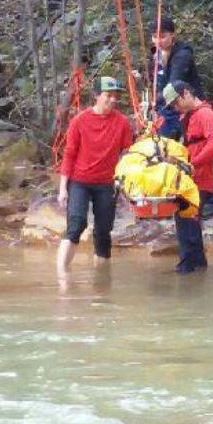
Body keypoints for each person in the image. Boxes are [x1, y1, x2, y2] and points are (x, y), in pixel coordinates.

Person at [56, 77, 134, 278]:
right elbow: (69, 154)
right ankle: (62, 278)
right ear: (97, 96)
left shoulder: (122, 122)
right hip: (80, 181)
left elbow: (127, 153)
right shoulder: (79, 121)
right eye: (108, 95)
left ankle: (101, 283)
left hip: (106, 183)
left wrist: (125, 182)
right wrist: (63, 188)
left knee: (103, 232)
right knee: (76, 225)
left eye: (116, 96)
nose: (113, 100)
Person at [164, 81, 213, 273]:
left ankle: (186, 272)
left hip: (199, 180)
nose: (175, 108)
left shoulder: (205, 114)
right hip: (192, 180)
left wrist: (194, 163)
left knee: (186, 227)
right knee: (189, 226)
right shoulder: (191, 116)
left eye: (176, 103)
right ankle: (198, 270)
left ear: (186, 93)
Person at [149, 16, 200, 141]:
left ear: (172, 35)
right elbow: (155, 81)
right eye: (155, 37)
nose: (158, 41)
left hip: (184, 105)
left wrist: (154, 102)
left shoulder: (183, 55)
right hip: (166, 106)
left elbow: (173, 87)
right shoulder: (156, 53)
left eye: (162, 36)